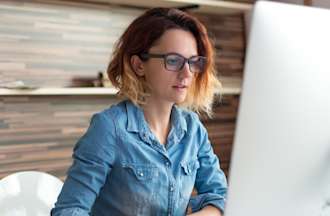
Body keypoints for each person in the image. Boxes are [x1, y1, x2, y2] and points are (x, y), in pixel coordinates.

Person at [51, 7, 227, 216]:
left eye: (193, 61)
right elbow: (69, 210)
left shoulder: (193, 129)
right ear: (138, 65)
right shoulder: (109, 128)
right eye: (173, 60)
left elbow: (219, 196)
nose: (187, 73)